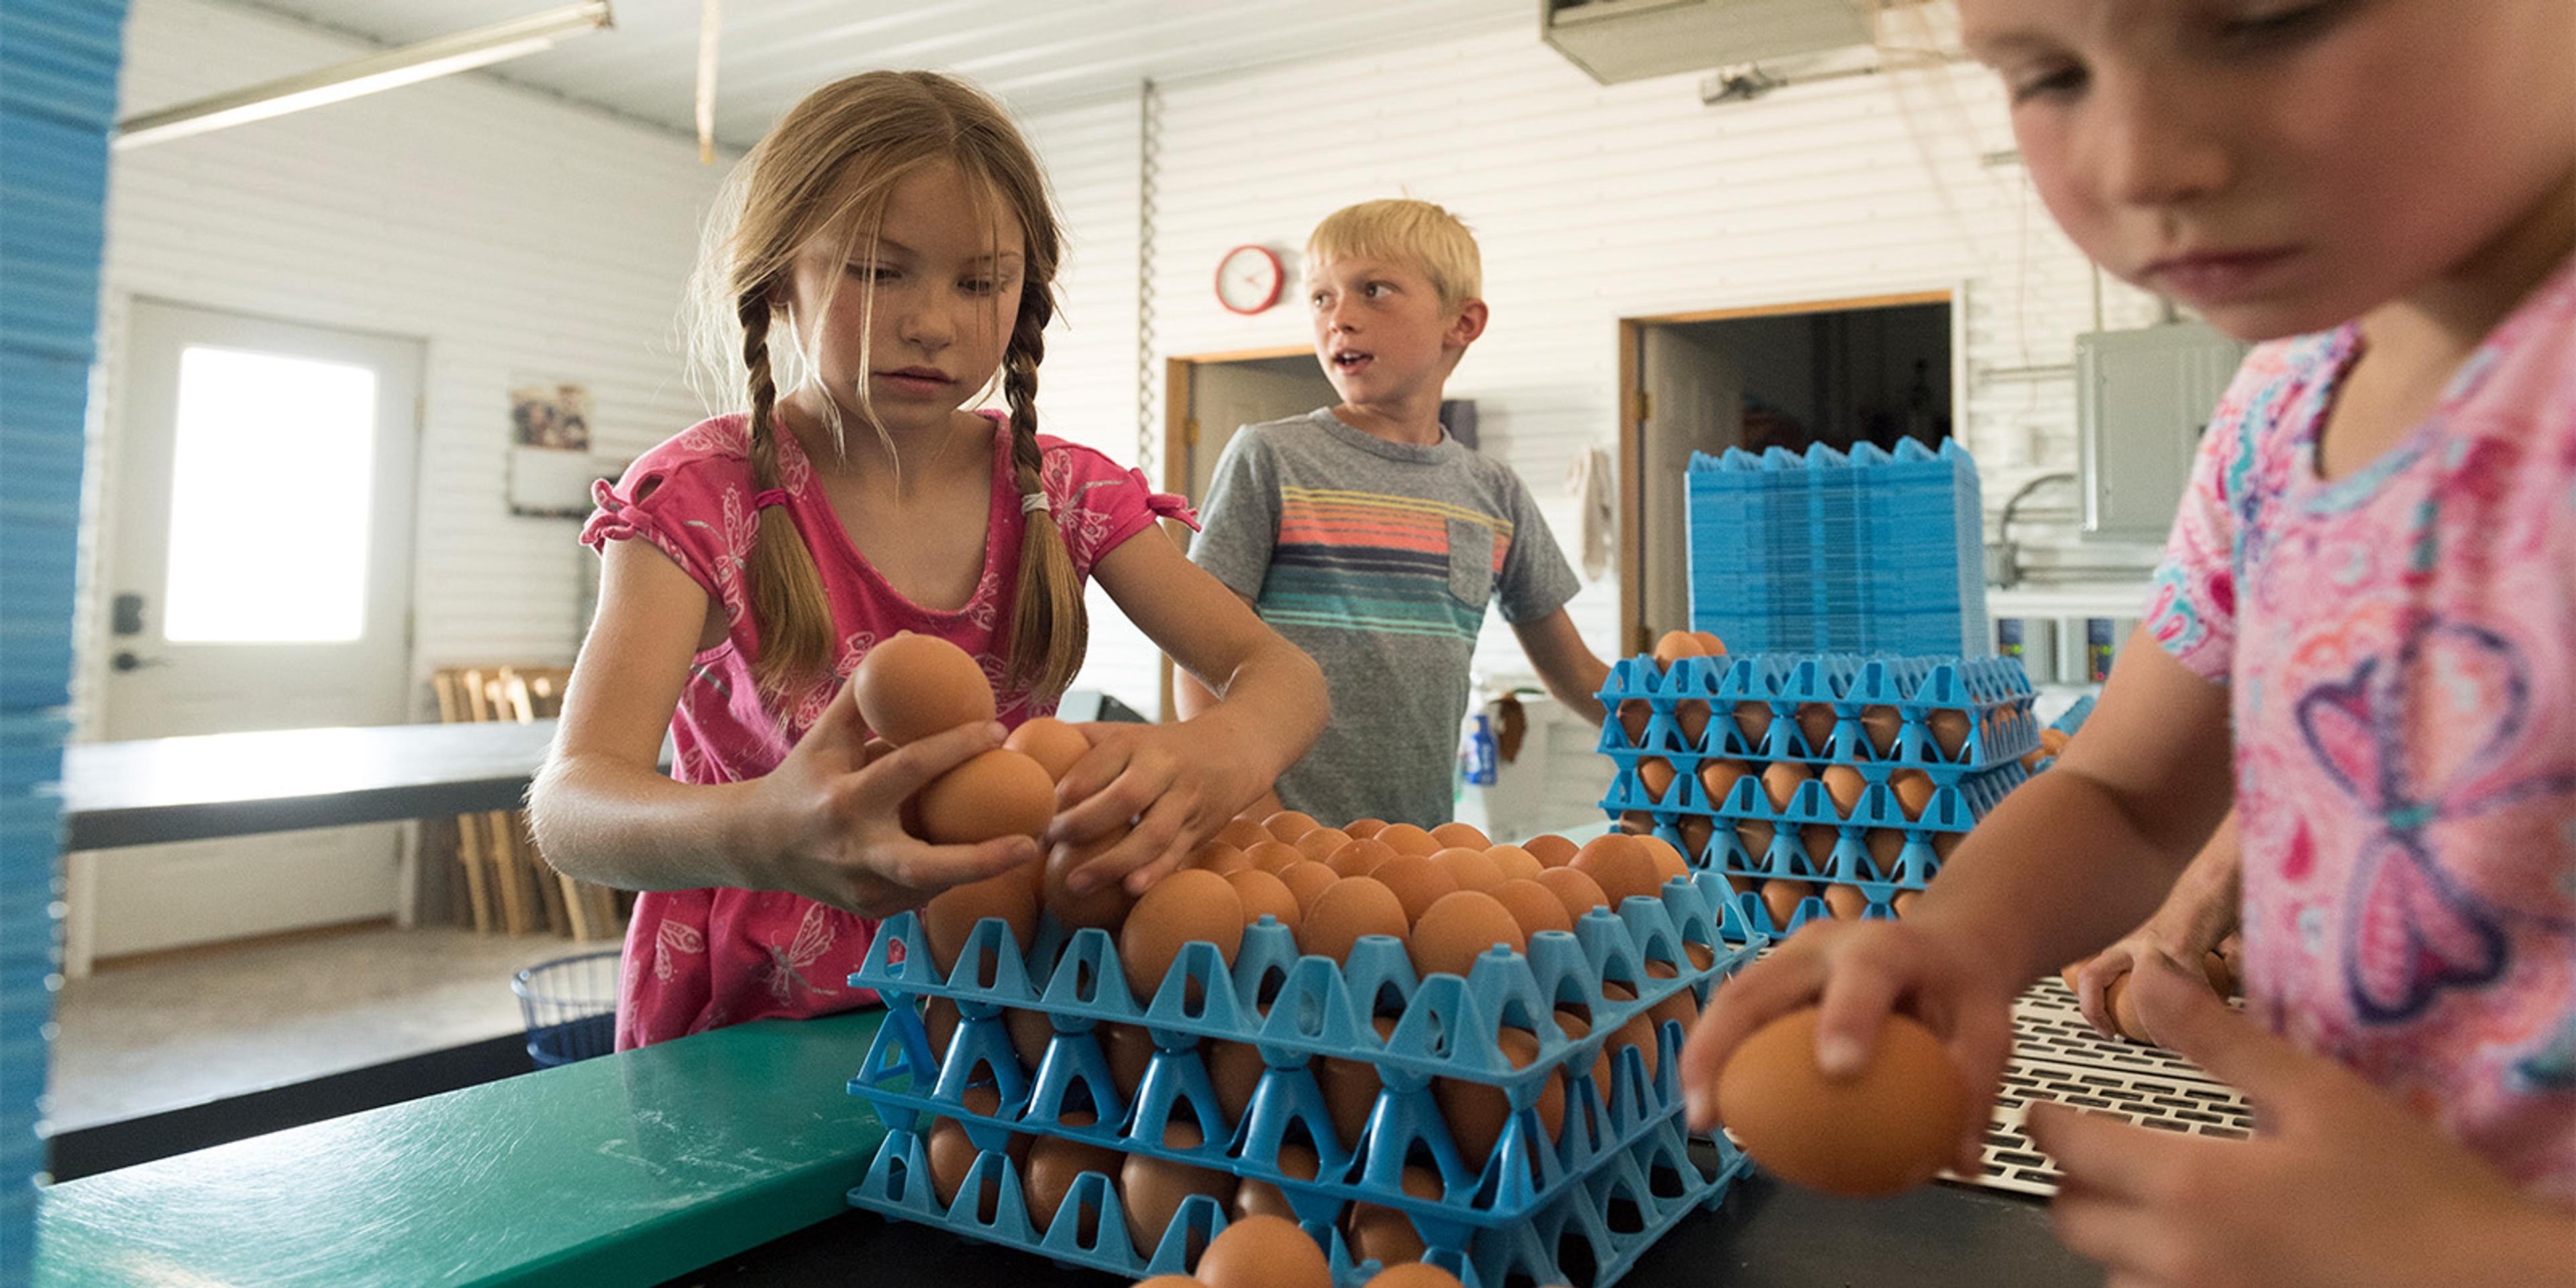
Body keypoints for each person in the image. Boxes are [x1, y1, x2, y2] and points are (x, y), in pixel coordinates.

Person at [1681, 3, 2576, 1284]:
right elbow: (2129, 790)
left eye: (2269, 19)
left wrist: (2472, 1256)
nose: (2139, 163)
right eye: (2047, 74)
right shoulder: (2280, 408)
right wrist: (1966, 937)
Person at [529, 72, 1326, 1049]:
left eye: (979, 282)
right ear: (781, 274)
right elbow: (573, 806)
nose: (933, 321)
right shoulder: (703, 497)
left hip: (996, 1002)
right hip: (755, 1026)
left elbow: (1281, 674)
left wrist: (1220, 753)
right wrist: (762, 832)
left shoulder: (1065, 494)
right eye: (878, 270)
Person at [1177, 199, 1611, 827]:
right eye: (1321, 299)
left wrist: (1697, 734)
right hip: (1274, 845)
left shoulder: (1495, 492)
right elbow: (1198, 656)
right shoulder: (1271, 457)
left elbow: (1575, 671)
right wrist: (1260, 825)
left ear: (1461, 322)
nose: (1340, 318)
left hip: (1417, 845)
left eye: (1373, 290)